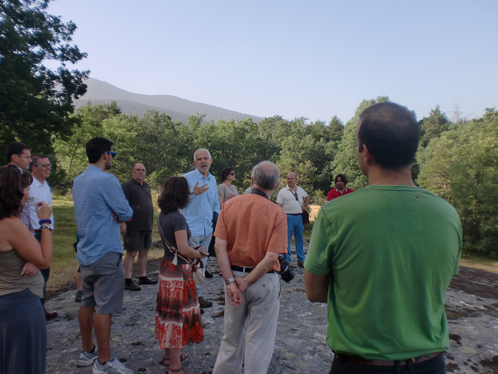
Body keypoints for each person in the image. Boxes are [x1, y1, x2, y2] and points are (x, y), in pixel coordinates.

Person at [305, 102, 462, 374]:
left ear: (365, 152)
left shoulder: (336, 213)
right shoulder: (448, 215)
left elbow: (314, 291)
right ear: (412, 151)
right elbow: (436, 283)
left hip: (359, 366)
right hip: (431, 364)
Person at [213, 161, 288, 374]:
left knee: (230, 339)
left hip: (233, 279)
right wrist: (246, 282)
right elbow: (271, 256)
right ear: (277, 184)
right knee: (258, 344)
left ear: (252, 181)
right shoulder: (277, 213)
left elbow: (219, 246)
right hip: (262, 282)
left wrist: (231, 282)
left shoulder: (230, 205)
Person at [73, 137, 134, 374]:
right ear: (105, 155)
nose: (112, 159)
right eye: (113, 155)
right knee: (105, 307)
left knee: (87, 301)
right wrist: (117, 215)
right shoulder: (107, 180)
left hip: (86, 249)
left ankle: (87, 351)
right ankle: (104, 360)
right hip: (106, 250)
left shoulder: (79, 180)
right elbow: (126, 212)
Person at [0, 165, 53, 374]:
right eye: (26, 188)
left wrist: (31, 255)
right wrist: (46, 222)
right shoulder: (10, 224)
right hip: (22, 305)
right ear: (16, 191)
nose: (28, 193)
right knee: (26, 365)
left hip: (7, 302)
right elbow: (45, 260)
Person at [156, 176, 206, 374]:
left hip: (167, 267)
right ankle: (176, 367)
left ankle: (169, 356)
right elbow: (184, 249)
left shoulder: (163, 214)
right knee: (177, 315)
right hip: (179, 272)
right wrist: (199, 254)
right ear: (182, 194)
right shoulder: (177, 218)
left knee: (168, 312)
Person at [181, 148, 220, 304]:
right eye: (200, 159)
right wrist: (192, 193)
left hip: (207, 229)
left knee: (201, 265)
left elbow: (215, 204)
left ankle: (195, 296)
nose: (203, 161)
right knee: (190, 265)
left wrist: (219, 222)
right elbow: (178, 203)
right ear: (194, 162)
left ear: (210, 161)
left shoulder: (213, 180)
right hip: (191, 229)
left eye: (206, 159)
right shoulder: (186, 179)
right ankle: (190, 298)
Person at [27, 154, 58, 319]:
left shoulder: (45, 185)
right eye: (44, 165)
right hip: (35, 233)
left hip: (46, 231)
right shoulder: (29, 185)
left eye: (49, 165)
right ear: (34, 168)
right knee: (35, 273)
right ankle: (35, 310)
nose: (48, 168)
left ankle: (41, 308)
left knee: (44, 272)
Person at [120, 163, 156, 291]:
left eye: (143, 170)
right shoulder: (127, 186)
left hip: (146, 224)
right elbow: (121, 205)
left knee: (145, 251)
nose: (141, 172)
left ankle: (142, 276)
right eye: (138, 170)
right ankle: (127, 279)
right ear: (132, 172)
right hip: (133, 225)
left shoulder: (146, 186)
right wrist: (122, 222)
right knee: (131, 252)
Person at [276, 172, 309, 267]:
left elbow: (307, 197)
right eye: (288, 178)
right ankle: (287, 260)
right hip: (288, 216)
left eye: (291, 178)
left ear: (296, 180)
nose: (289, 180)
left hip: (299, 216)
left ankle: (301, 260)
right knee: (287, 239)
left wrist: (305, 207)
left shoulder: (300, 190)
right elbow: (279, 206)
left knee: (299, 239)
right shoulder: (282, 192)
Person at [6, 142, 33, 233]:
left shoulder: (22, 174)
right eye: (27, 157)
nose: (30, 160)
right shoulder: (8, 177)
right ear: (15, 157)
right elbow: (10, 206)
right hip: (13, 230)